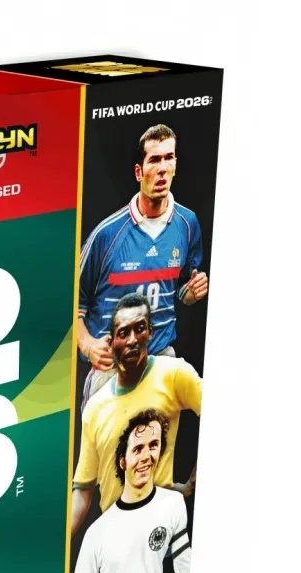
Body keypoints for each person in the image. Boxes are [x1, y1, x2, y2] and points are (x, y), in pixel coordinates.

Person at [75, 123, 209, 407]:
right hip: (112, 369)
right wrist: (88, 345)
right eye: (154, 160)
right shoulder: (106, 235)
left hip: (161, 361)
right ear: (139, 172)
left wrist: (191, 292)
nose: (162, 169)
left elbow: (180, 290)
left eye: (169, 158)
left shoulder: (188, 224)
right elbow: (71, 304)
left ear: (176, 165)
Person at [70, 293, 201, 536]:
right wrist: (57, 545)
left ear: (150, 332)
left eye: (139, 329)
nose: (132, 340)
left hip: (159, 535)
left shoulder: (173, 374)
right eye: (123, 333)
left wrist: (195, 479)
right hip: (113, 538)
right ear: (111, 342)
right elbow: (83, 491)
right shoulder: (95, 408)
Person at [66, 410, 191, 573]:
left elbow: (185, 570)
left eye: (153, 445)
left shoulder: (173, 504)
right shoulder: (96, 533)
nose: (146, 456)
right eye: (138, 449)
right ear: (123, 461)